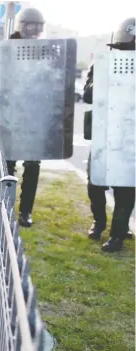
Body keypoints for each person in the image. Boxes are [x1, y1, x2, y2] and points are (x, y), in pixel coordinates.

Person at [0, 7, 45, 227]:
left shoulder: (43, 50)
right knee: (7, 165)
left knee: (32, 165)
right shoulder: (5, 49)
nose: (34, 31)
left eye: (38, 27)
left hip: (33, 118)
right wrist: (5, 62)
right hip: (11, 116)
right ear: (22, 26)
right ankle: (6, 207)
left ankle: (25, 212)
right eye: (31, 26)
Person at [83, 17, 135, 252]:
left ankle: (118, 233)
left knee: (127, 186)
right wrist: (107, 80)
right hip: (105, 132)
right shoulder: (102, 64)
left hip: (131, 135)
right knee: (95, 182)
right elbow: (87, 95)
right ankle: (99, 222)